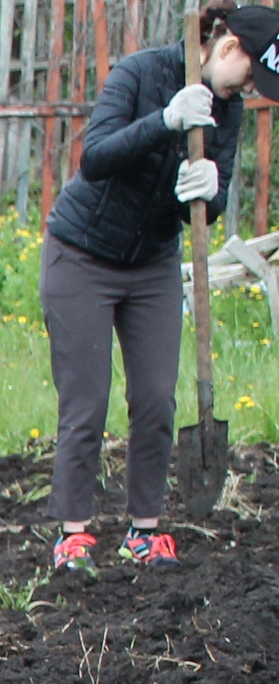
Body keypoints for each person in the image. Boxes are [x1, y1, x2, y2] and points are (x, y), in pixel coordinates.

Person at [42, 5, 279, 570]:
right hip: (81, 256)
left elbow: (209, 203)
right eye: (250, 75)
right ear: (227, 46)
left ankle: (144, 533)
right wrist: (165, 121)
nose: (248, 88)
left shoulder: (230, 111)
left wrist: (211, 189)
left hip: (152, 264)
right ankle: (73, 535)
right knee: (86, 400)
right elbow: (95, 158)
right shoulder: (141, 73)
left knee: (154, 399)